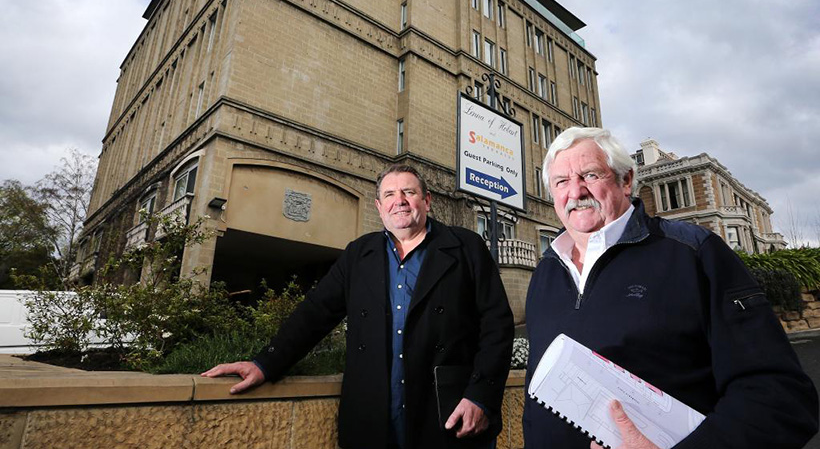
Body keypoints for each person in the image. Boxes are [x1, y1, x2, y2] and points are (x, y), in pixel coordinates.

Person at [523, 127, 818, 449]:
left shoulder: (693, 252)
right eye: (561, 182)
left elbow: (780, 396)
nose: (576, 192)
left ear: (625, 180)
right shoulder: (545, 272)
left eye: (590, 175)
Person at [203, 164, 514, 449]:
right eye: (390, 194)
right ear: (379, 207)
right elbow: (315, 313)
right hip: (373, 418)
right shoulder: (359, 255)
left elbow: (497, 325)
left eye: (409, 192)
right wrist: (265, 364)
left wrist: (481, 396)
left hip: (447, 413)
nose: (400, 200)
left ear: (427, 200)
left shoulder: (466, 247)